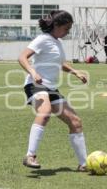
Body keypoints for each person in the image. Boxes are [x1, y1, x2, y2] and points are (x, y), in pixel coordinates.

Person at [18, 10, 88, 171]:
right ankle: (30, 155)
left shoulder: (57, 42)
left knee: (75, 122)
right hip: (35, 84)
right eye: (66, 28)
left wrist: (75, 72)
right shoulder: (42, 39)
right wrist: (33, 72)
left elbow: (59, 63)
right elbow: (22, 57)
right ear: (56, 25)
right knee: (45, 111)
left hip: (51, 88)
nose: (68, 32)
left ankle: (84, 164)